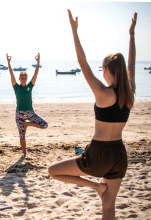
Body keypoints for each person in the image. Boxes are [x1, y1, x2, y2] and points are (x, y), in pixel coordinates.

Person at [48, 10, 137, 220]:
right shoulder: (129, 92)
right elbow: (131, 66)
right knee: (109, 205)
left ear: (106, 70)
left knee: (53, 171)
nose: (101, 72)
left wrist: (74, 31)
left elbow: (82, 62)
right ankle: (98, 189)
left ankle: (94, 186)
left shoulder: (103, 93)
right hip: (119, 154)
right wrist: (132, 36)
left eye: (102, 68)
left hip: (98, 153)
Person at [6, 53, 48, 157]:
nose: (24, 79)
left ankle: (27, 124)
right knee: (22, 135)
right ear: (19, 79)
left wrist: (38, 63)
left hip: (30, 113)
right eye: (22, 77)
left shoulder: (30, 86)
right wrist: (8, 63)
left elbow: (35, 74)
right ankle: (24, 154)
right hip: (19, 114)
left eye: (25, 77)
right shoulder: (16, 87)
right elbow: (11, 75)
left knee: (44, 125)